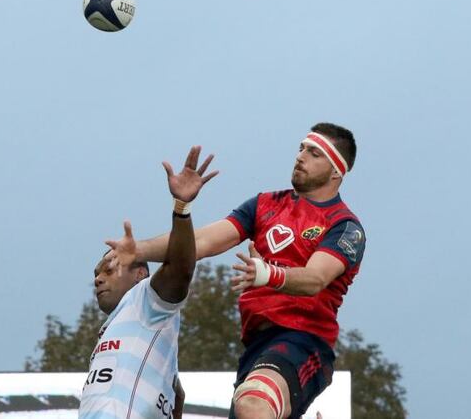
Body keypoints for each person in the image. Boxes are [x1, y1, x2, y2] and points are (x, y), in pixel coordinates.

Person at [105, 123, 366, 419]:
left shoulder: (344, 226)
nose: (300, 157)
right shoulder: (266, 204)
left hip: (304, 342)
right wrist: (140, 247)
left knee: (253, 405)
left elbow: (315, 279)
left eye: (314, 153)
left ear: (336, 171)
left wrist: (267, 274)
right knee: (251, 407)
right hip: (257, 347)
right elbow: (201, 242)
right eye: (301, 148)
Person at [78, 146, 218, 419]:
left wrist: (182, 209)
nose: (98, 278)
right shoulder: (125, 329)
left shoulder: (145, 299)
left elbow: (180, 269)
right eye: (96, 273)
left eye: (109, 268)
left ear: (141, 274)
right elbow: (176, 394)